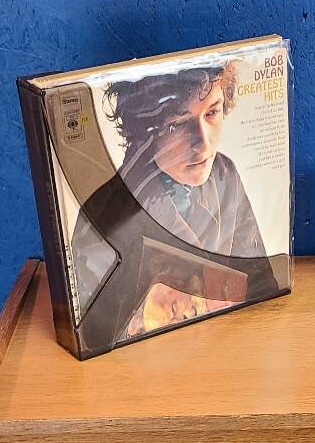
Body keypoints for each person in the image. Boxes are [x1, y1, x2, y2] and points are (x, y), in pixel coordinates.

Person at [70, 61, 277, 353]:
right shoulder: (102, 215)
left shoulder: (225, 174)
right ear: (143, 131)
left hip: (230, 353)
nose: (204, 145)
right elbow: (100, 337)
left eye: (213, 112)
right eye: (178, 123)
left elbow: (259, 288)